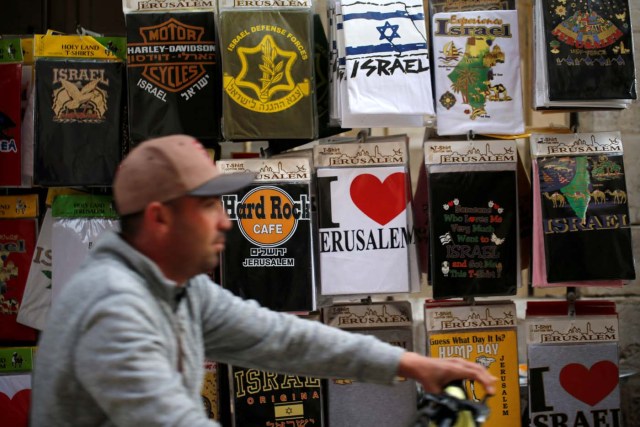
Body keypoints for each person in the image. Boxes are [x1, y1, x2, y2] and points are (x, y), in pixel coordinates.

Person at [31, 135, 496, 426]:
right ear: (160, 219)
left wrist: (412, 365)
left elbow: (282, 339)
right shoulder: (113, 308)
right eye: (208, 206)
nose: (226, 222)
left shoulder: (179, 288)